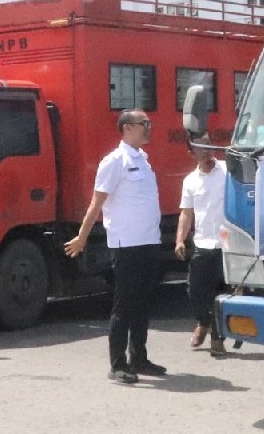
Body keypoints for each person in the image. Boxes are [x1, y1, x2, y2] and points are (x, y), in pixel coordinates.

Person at [64, 109, 167, 385]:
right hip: (127, 246)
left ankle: (139, 358)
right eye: (144, 124)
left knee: (143, 304)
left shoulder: (143, 160)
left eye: (149, 123)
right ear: (127, 128)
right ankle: (117, 363)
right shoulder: (114, 162)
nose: (149, 128)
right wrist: (82, 237)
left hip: (149, 242)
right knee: (125, 305)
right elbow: (96, 204)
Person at [174, 133, 228, 356]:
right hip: (203, 244)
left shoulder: (227, 171)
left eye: (208, 145)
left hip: (227, 244)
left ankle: (218, 338)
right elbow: (186, 214)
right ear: (191, 153)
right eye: (200, 148)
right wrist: (179, 239)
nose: (206, 151)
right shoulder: (190, 181)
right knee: (196, 291)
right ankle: (203, 322)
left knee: (222, 294)